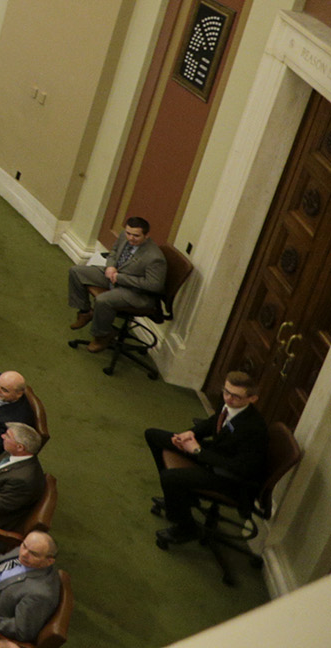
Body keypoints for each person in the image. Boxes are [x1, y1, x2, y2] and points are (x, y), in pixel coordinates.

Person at [146, 369, 270, 547]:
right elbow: (214, 421)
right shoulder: (230, 404)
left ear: (252, 399)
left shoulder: (254, 429)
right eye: (226, 392)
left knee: (170, 478)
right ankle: (183, 499)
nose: (228, 398)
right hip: (215, 456)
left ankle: (186, 527)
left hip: (232, 480)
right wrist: (190, 433)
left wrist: (198, 452)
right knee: (154, 436)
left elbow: (240, 468)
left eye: (235, 396)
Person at [69, 215, 168, 353]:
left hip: (135, 292)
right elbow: (114, 252)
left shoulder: (154, 257)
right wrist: (110, 266)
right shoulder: (124, 236)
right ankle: (85, 312)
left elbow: (154, 285)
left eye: (136, 236)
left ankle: (102, 335)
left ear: (147, 235)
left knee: (102, 300)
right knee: (76, 271)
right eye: (128, 233)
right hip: (114, 274)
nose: (130, 238)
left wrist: (121, 278)